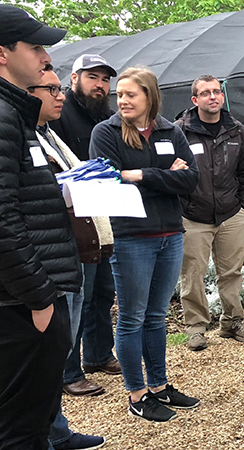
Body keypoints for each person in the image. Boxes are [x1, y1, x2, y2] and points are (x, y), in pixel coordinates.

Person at [89, 67, 201, 422]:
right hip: (131, 237)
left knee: (156, 316)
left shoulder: (170, 129)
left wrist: (139, 175)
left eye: (130, 94)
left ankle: (158, 386)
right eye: (119, 95)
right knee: (132, 318)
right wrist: (167, 174)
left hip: (169, 233)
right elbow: (108, 180)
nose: (122, 100)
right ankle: (137, 395)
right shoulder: (105, 133)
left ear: (149, 96)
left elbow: (192, 179)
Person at [0, 7, 80, 449]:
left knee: (31, 418)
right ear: (3, 54)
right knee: (21, 430)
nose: (45, 55)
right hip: (21, 303)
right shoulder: (4, 115)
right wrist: (39, 298)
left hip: (27, 296)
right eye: (34, 47)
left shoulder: (17, 113)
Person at [30, 66, 108, 450]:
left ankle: (55, 429)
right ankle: (46, 432)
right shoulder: (24, 136)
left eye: (60, 89)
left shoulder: (48, 135)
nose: (59, 96)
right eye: (50, 89)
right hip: (48, 259)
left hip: (71, 248)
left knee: (61, 343)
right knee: (46, 354)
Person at [49, 54, 121, 398]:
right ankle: (69, 370)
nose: (100, 86)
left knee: (103, 291)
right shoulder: (60, 115)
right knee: (79, 294)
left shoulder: (105, 117)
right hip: (73, 220)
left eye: (105, 80)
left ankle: (98, 353)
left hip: (101, 216)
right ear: (74, 78)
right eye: (93, 77)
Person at [176, 75, 244, 351]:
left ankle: (232, 321)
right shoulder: (180, 131)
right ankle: (196, 328)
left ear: (222, 97)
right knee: (193, 274)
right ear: (195, 100)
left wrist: (243, 202)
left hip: (231, 213)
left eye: (217, 92)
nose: (213, 97)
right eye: (206, 93)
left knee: (231, 271)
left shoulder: (236, 130)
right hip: (193, 215)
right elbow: (170, 171)